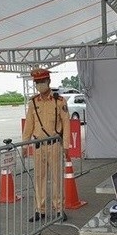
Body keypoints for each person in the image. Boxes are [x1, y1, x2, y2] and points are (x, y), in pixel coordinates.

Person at [22, 68, 71, 222]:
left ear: (49, 81)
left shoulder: (59, 101)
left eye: (42, 81)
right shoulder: (33, 102)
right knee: (39, 178)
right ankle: (40, 210)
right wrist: (24, 145)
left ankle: (58, 210)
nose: (40, 85)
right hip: (38, 146)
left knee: (57, 178)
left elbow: (66, 124)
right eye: (37, 82)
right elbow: (29, 125)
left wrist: (66, 146)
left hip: (54, 145)